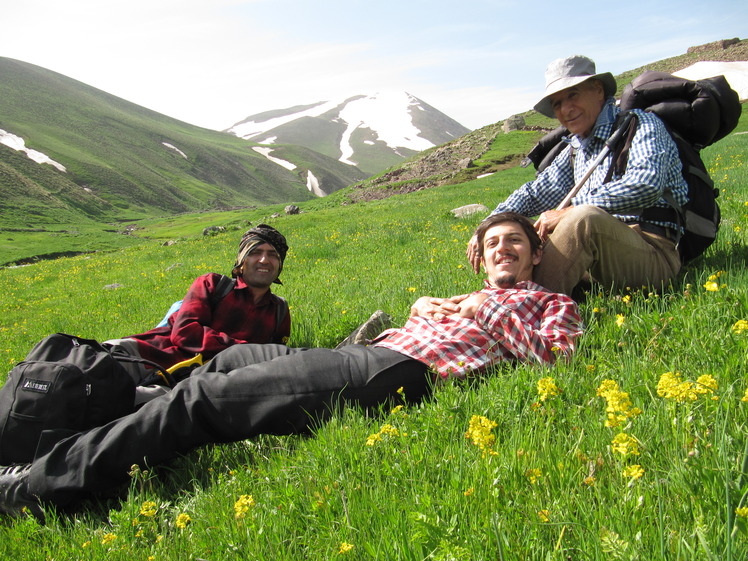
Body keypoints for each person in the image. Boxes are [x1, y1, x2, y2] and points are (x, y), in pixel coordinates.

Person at [0, 212, 583, 521]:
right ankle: (61, 427)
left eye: (515, 242)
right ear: (477, 259)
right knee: (224, 361)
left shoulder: (550, 303)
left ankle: (36, 487)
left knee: (199, 403)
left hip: (395, 370)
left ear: (535, 254)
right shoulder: (452, 298)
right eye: (492, 244)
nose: (502, 250)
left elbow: (556, 356)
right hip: (372, 349)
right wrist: (417, 309)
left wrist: (488, 308)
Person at [466, 55, 688, 297]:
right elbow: (537, 191)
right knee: (512, 234)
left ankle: (519, 309)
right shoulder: (576, 146)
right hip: (597, 256)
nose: (565, 110)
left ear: (598, 91)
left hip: (653, 249)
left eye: (573, 95)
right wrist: (488, 225)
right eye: (557, 103)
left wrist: (571, 210)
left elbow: (646, 183)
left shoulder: (641, 125)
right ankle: (494, 301)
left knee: (583, 218)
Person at [106, 224, 291, 402]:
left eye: (273, 255)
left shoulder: (279, 312)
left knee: (113, 406)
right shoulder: (212, 285)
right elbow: (185, 332)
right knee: (90, 382)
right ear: (241, 262)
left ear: (280, 265)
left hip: (187, 388)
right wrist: (244, 351)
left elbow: (271, 364)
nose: (264, 260)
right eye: (255, 252)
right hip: (144, 356)